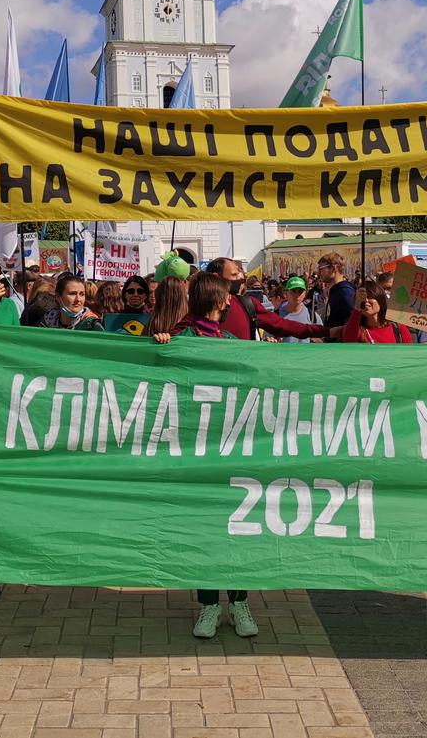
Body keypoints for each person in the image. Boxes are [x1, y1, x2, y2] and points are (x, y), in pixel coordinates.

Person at [151, 272, 258, 640]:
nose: (230, 301)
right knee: (204, 531)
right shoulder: (180, 340)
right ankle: (210, 605)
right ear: (217, 300)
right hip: (194, 453)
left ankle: (240, 601)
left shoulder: (230, 342)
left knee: (236, 529)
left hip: (230, 450)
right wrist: (161, 346)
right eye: (226, 296)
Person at [207, 257, 327, 341]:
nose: (240, 278)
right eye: (234, 275)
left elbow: (282, 325)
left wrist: (326, 331)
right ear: (216, 278)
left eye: (240, 274)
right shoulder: (200, 307)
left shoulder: (247, 304)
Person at [341, 280, 413, 344]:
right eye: (361, 298)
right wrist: (357, 308)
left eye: (370, 297)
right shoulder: (358, 329)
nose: (366, 301)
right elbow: (348, 341)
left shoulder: (398, 329)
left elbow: (409, 354)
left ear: (380, 300)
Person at [316, 252, 356, 335]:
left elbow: (353, 322)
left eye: (321, 269)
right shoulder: (337, 290)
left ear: (333, 268)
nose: (318, 273)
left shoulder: (345, 293)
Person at [276, 277, 321, 343]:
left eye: (300, 292)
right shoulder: (276, 315)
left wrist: (316, 340)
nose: (297, 295)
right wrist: (272, 340)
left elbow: (322, 340)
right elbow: (267, 341)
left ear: (305, 293)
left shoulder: (312, 316)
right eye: (293, 291)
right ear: (286, 293)